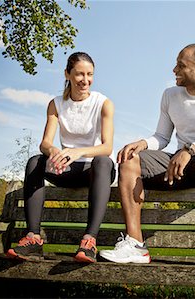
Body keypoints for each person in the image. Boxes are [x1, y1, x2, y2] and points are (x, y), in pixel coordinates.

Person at [99, 43, 195, 266]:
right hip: (178, 166)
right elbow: (162, 137)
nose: (174, 70)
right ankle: (136, 245)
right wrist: (143, 143)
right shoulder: (170, 95)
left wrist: (192, 149)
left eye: (181, 65)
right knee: (129, 159)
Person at [6, 52, 115, 263]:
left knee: (104, 161)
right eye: (79, 74)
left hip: (93, 170)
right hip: (65, 168)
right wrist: (53, 151)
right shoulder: (55, 104)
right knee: (35, 162)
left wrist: (79, 152)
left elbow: (107, 147)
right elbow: (45, 143)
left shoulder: (103, 103)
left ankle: (89, 241)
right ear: (67, 74)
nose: (85, 80)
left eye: (90, 74)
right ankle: (34, 239)